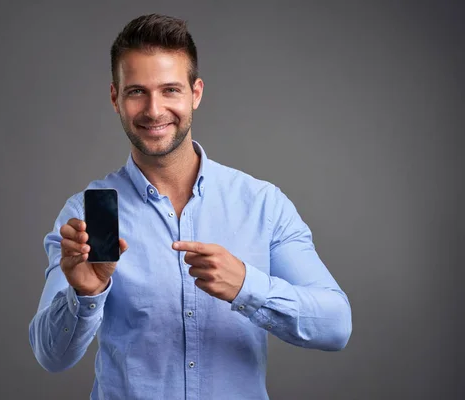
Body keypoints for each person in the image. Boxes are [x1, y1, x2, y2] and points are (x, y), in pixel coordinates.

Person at [29, 13, 352, 400]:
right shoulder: (88, 215)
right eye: (136, 92)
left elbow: (336, 325)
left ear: (195, 93)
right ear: (115, 98)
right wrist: (84, 296)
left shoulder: (261, 205)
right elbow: (51, 357)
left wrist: (246, 287)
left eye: (170, 90)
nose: (153, 110)